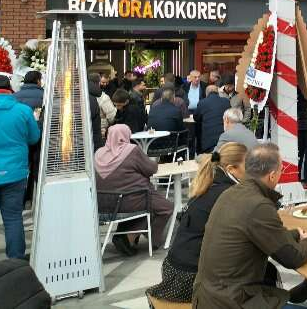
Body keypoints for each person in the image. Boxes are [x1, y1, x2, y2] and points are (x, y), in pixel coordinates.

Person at [193, 144, 307, 308]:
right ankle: (293, 296)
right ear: (272, 176)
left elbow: (260, 234)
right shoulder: (259, 205)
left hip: (209, 296)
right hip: (231, 302)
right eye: (281, 170)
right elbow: (293, 258)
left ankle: (294, 295)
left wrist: (297, 234)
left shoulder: (230, 193)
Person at [146, 143, 247, 303]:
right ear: (231, 169)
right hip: (191, 279)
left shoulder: (207, 185)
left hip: (172, 269)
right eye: (247, 165)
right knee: (257, 273)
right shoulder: (228, 193)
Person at [94, 125, 173, 253]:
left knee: (146, 205)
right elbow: (151, 169)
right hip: (131, 199)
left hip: (102, 204)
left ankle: (124, 235)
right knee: (165, 207)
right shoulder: (132, 150)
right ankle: (132, 237)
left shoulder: (98, 153)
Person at [0, 74, 40, 259]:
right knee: (13, 218)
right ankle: (16, 260)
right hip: (15, 172)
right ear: (9, 89)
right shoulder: (23, 110)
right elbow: (34, 137)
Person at [193, 85, 231, 154]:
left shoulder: (202, 102)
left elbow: (196, 118)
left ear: (206, 93)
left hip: (208, 142)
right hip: (225, 140)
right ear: (218, 92)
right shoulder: (226, 101)